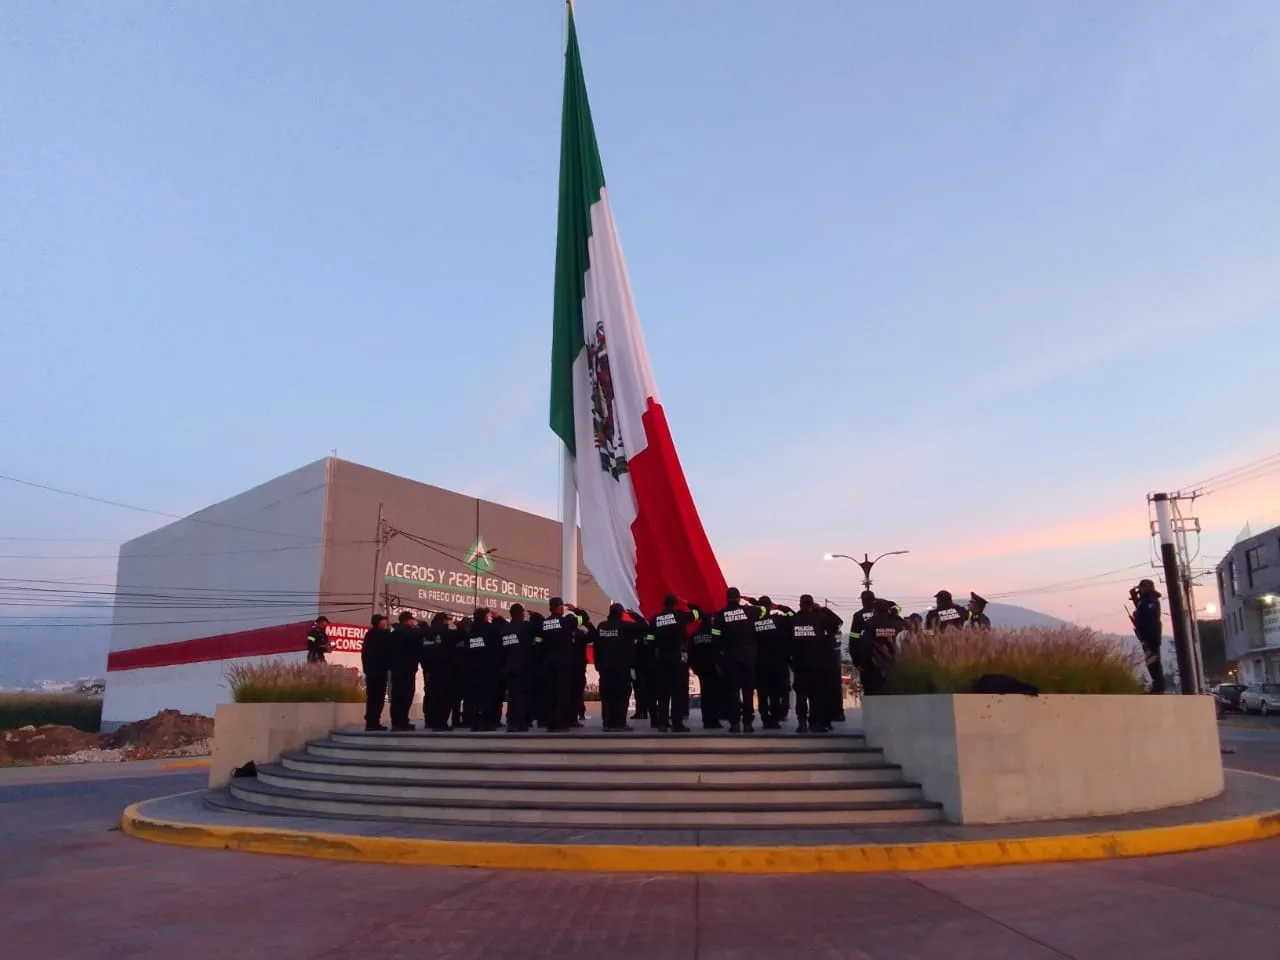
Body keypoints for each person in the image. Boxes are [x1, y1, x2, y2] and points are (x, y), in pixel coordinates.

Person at [710, 587, 768, 733]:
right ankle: (748, 723)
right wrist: (752, 601)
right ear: (738, 598)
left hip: (730, 656)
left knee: (733, 691)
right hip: (748, 656)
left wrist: (720, 656)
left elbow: (715, 638)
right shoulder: (750, 611)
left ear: (726, 598)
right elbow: (764, 609)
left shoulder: (720, 615)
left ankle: (735, 723)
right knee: (748, 691)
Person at [535, 597, 590, 731]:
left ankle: (549, 723)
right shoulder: (567, 622)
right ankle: (560, 723)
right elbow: (585, 618)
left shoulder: (543, 624)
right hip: (563, 664)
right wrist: (575, 609)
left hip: (547, 664)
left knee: (549, 694)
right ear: (560, 609)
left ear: (550, 608)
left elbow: (538, 644)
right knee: (562, 694)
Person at [648, 594, 700, 733]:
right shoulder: (680, 616)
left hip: (661, 658)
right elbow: (698, 613)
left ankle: (662, 724)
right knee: (678, 692)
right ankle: (677, 724)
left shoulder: (655, 619)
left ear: (663, 603)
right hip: (677, 657)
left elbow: (650, 640)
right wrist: (688, 602)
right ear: (675, 603)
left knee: (663, 694)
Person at [594, 603, 647, 731]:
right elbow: (644, 626)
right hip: (621, 667)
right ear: (621, 613)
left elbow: (597, 646)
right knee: (621, 695)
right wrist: (633, 614)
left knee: (607, 696)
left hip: (605, 668)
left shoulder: (601, 626)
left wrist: (597, 664)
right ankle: (619, 723)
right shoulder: (625, 627)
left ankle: (607, 723)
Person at [791, 595, 838, 734]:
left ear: (800, 604)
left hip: (799, 663)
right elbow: (836, 624)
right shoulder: (819, 618)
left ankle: (801, 723)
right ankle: (815, 724)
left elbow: (787, 641)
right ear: (812, 605)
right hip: (817, 662)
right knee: (816, 694)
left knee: (801, 694)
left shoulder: (792, 620)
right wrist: (824, 610)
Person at [848, 598, 905, 697]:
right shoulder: (899, 623)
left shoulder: (869, 624)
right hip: (897, 670)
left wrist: (859, 663)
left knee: (874, 700)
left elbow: (863, 645)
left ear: (875, 609)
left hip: (873, 671)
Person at [752, 597, 792, 729]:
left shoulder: (753, 622)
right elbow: (792, 615)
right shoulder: (779, 620)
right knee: (775, 693)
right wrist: (780, 607)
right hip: (778, 662)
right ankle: (774, 719)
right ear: (770, 607)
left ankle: (765, 718)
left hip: (760, 663)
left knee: (762, 693)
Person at [499, 604, 537, 732]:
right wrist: (536, 616)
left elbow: (503, 651)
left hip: (509, 668)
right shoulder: (525, 626)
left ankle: (512, 723)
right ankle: (521, 723)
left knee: (513, 696)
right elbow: (539, 629)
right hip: (523, 667)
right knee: (523, 696)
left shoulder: (505, 630)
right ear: (520, 614)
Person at [420, 612, 456, 732]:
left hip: (429, 670)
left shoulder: (426, 633)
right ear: (443, 621)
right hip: (444, 669)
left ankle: (431, 721)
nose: (448, 623)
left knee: (432, 696)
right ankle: (441, 723)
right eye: (447, 620)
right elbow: (455, 641)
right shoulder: (444, 632)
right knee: (444, 697)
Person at [687, 613, 724, 729]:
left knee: (705, 694)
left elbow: (690, 652)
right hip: (714, 667)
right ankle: (714, 720)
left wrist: (694, 667)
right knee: (715, 694)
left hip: (700, 668)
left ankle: (706, 720)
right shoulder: (714, 632)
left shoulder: (694, 634)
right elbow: (719, 647)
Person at [464, 608, 497, 731]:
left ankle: (475, 723)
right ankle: (485, 723)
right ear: (484, 617)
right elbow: (496, 648)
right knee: (487, 696)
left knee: (475, 697)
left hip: (473, 669)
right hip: (487, 668)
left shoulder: (471, 631)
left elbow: (467, 650)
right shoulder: (490, 629)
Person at [1130, 579, 1165, 694]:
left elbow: (1149, 619)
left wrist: (1146, 637)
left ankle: (1158, 687)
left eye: (1141, 588)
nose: (1139, 590)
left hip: (1151, 636)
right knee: (1150, 661)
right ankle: (1156, 685)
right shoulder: (1143, 600)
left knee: (1154, 661)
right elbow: (1140, 610)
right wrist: (1135, 598)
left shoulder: (1151, 601)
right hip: (1146, 636)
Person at [388, 611, 421, 731]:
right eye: (411, 620)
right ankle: (401, 722)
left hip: (396, 668)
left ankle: (397, 722)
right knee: (405, 696)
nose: (413, 622)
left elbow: (391, 630)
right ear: (407, 620)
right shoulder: (407, 632)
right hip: (406, 669)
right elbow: (416, 634)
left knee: (397, 696)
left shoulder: (394, 630)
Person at [361, 614, 392, 731]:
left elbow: (364, 653)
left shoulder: (369, 634)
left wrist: (366, 668)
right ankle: (374, 722)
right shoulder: (382, 633)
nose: (385, 622)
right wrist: (392, 627)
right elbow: (393, 633)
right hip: (379, 670)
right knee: (378, 697)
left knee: (372, 697)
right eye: (384, 621)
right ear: (379, 622)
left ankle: (370, 722)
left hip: (371, 670)